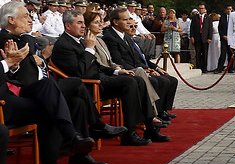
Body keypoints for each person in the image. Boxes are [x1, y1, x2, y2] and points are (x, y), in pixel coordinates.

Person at [0, 1, 94, 164]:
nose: (30, 19)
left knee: (50, 88)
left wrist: (16, 65)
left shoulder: (23, 39)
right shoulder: (2, 38)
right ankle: (60, 158)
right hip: (6, 100)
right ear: (11, 20)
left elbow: (16, 74)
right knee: (51, 107)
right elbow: (16, 77)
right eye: (26, 16)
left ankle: (70, 141)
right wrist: (10, 63)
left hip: (24, 90)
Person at [52, 10, 161, 150]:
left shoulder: (78, 41)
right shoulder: (64, 45)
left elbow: (98, 66)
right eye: (79, 23)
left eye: (83, 23)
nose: (83, 26)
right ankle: (129, 133)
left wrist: (116, 71)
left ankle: (144, 127)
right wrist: (90, 48)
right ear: (67, 26)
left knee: (135, 79)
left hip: (101, 79)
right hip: (90, 85)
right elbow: (80, 72)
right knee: (130, 82)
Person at [103, 8, 178, 130]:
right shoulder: (110, 37)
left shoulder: (125, 36)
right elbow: (118, 61)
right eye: (126, 19)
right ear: (116, 22)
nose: (129, 23)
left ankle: (156, 113)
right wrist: (143, 69)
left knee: (169, 79)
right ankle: (151, 116)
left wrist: (153, 68)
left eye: (130, 19)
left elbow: (139, 58)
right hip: (125, 72)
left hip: (137, 69)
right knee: (155, 81)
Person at [190, 3, 209, 72]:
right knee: (197, 53)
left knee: (205, 53)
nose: (201, 10)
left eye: (202, 8)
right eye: (200, 8)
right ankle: (198, 67)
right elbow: (191, 28)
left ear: (204, 9)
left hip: (205, 38)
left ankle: (204, 68)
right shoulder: (195, 17)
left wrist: (209, 38)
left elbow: (210, 28)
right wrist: (192, 36)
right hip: (197, 38)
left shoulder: (208, 17)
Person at [217, 5, 233, 72]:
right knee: (223, 54)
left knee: (231, 54)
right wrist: (223, 35)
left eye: (230, 9)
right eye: (228, 9)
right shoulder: (222, 17)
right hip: (224, 39)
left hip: (231, 39)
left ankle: (230, 68)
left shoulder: (233, 17)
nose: (229, 10)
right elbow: (219, 28)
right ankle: (219, 68)